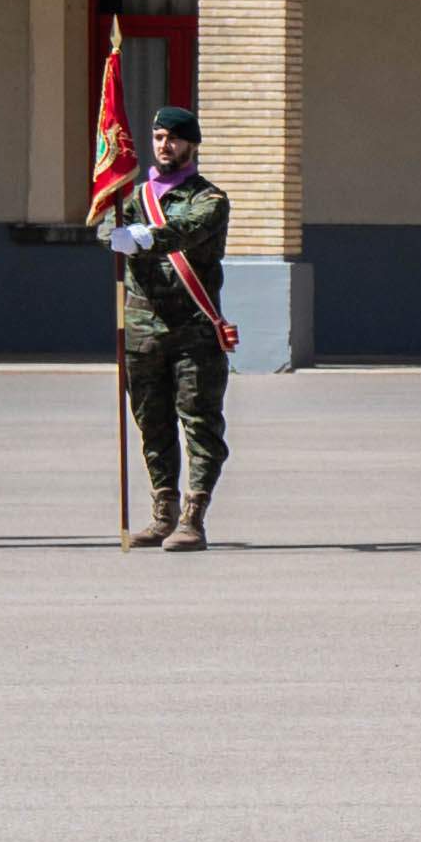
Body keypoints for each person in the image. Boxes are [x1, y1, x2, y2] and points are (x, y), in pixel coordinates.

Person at [103, 104, 242, 553]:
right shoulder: (132, 196)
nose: (166, 146)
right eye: (160, 137)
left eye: (175, 139)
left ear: (192, 145)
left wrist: (144, 237)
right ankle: (163, 512)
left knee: (200, 424)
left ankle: (194, 516)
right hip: (142, 331)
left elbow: (187, 230)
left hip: (193, 331)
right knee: (152, 424)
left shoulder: (209, 198)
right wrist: (113, 230)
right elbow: (105, 224)